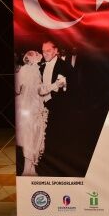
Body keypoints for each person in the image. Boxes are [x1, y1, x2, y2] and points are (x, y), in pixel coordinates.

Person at [37, 40, 78, 177]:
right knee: (45, 135)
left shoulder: (64, 66)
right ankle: (46, 163)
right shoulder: (41, 66)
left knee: (59, 137)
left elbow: (72, 87)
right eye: (43, 51)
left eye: (48, 50)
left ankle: (60, 167)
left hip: (60, 107)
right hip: (43, 106)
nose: (45, 54)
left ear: (55, 51)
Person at [15, 50, 48, 176]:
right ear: (30, 57)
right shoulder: (26, 70)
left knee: (34, 137)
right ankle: (26, 170)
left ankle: (31, 169)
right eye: (35, 53)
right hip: (29, 108)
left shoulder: (33, 70)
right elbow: (18, 89)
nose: (39, 55)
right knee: (30, 138)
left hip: (33, 107)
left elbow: (40, 90)